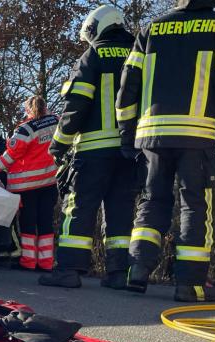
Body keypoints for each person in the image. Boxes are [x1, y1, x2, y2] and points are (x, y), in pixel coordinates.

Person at [116, 0, 215, 302]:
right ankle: (190, 284)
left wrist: (127, 132)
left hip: (151, 133)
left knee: (153, 199)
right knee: (194, 203)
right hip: (196, 134)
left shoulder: (151, 28)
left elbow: (128, 85)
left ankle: (138, 270)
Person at [40, 5, 141, 289]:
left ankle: (69, 270)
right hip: (130, 152)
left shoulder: (93, 56)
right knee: (121, 211)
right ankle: (118, 273)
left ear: (96, 27)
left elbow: (76, 106)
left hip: (94, 151)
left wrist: (59, 145)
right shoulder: (140, 55)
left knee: (79, 208)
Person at [0, 97, 60, 271]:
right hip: (50, 181)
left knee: (29, 223)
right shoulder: (56, 120)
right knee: (46, 222)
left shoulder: (25, 129)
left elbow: (12, 154)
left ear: (28, 109)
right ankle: (46, 262)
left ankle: (29, 262)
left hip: (27, 186)